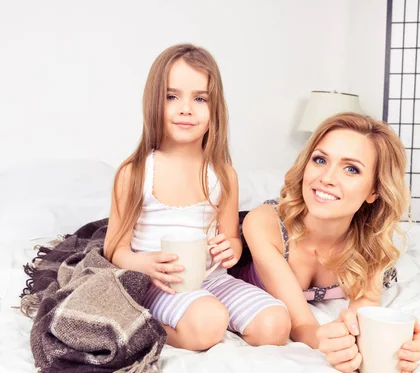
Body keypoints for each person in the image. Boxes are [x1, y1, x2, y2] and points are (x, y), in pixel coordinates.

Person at [104, 43, 289, 351]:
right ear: (154, 103)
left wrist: (230, 248)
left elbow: (231, 239)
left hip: (215, 280)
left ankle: (205, 319)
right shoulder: (135, 172)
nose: (186, 108)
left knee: (276, 324)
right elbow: (114, 248)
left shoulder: (223, 175)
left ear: (213, 108)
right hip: (162, 285)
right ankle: (146, 328)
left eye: (200, 98)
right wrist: (143, 263)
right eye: (172, 96)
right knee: (208, 322)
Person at [232, 112, 420, 373]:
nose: (327, 178)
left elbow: (362, 314)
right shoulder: (263, 224)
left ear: (374, 191)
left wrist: (397, 345)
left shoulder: (372, 244)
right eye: (320, 160)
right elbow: (301, 325)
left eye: (351, 169)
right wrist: (325, 341)